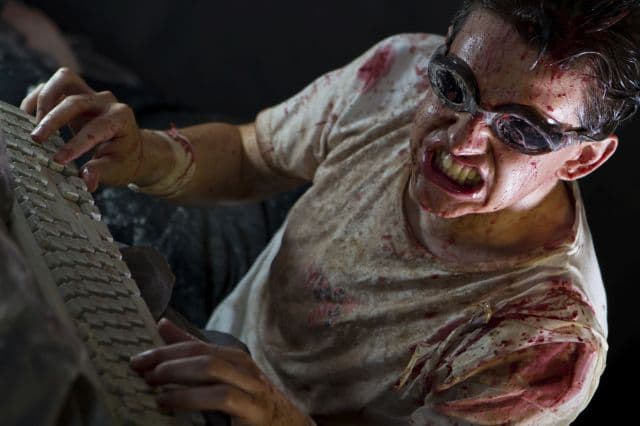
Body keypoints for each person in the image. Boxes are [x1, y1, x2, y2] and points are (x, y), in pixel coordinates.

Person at [21, 0, 640, 424]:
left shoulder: (542, 348)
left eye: (521, 131)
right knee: (65, 149)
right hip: (237, 304)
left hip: (258, 398)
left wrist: (276, 415)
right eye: (455, 87)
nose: (460, 142)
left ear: (583, 159)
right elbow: (253, 153)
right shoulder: (402, 72)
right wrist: (143, 155)